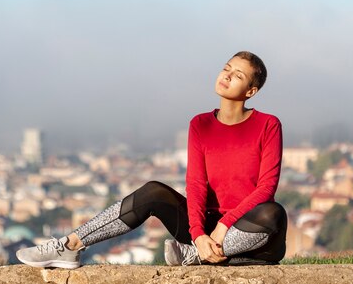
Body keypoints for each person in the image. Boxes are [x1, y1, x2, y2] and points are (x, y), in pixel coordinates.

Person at [16, 51, 287, 269]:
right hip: (204, 230)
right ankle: (69, 246)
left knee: (273, 212)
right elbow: (195, 184)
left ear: (250, 91)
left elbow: (266, 189)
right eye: (226, 68)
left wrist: (223, 228)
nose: (227, 76)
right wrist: (199, 234)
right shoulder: (201, 124)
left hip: (249, 234)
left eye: (237, 75)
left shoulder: (268, 125)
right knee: (153, 191)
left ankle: (196, 256)